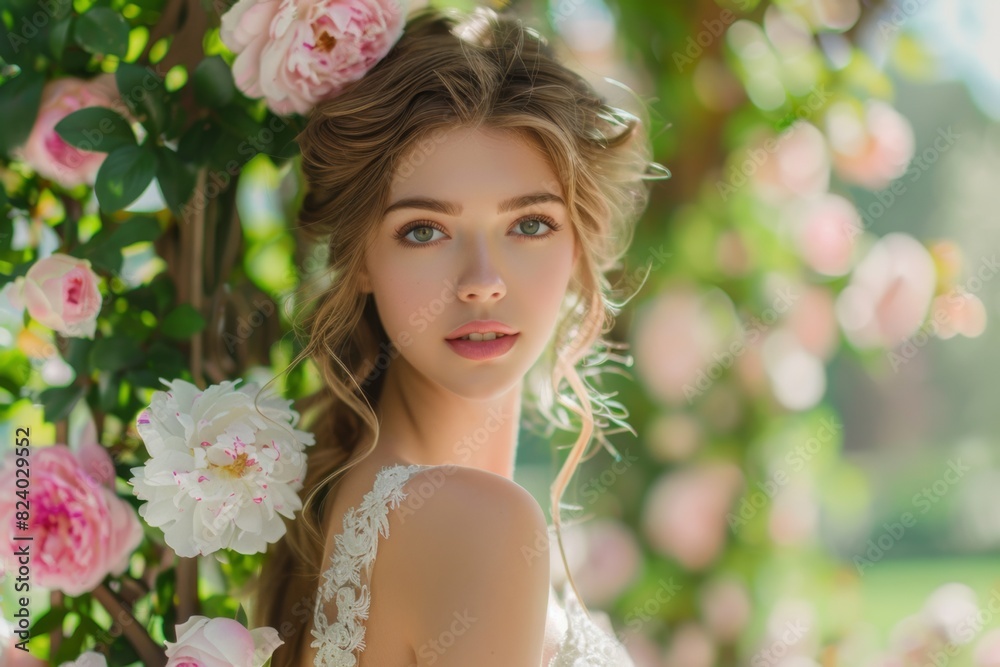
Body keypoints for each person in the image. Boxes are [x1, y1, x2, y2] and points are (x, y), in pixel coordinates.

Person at [249, 5, 666, 666]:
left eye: (529, 224)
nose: (482, 282)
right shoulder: (477, 522)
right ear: (359, 258)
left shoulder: (356, 502)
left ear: (579, 242)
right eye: (424, 230)